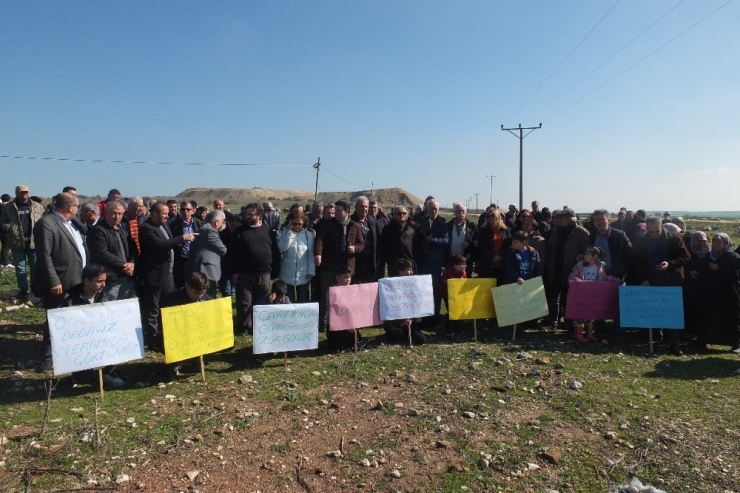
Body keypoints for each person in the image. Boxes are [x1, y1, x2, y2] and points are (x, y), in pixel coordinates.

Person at [33, 192, 87, 372]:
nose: (78, 210)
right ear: (70, 207)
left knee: (71, 318)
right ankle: (48, 358)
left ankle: (69, 353)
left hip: (76, 280)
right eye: (78, 206)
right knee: (54, 319)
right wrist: (53, 280)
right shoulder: (46, 223)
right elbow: (44, 255)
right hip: (59, 282)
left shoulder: (71, 224)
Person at [138, 202, 197, 350]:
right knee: (153, 308)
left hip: (168, 272)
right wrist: (182, 238)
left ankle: (166, 334)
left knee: (168, 305)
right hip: (154, 274)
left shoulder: (164, 225)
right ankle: (152, 340)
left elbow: (169, 242)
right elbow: (160, 245)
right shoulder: (147, 228)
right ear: (155, 213)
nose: (167, 215)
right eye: (164, 213)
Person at [632, 216, 691, 356]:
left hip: (671, 280)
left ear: (662, 227)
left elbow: (686, 256)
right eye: (650, 232)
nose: (653, 235)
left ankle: (674, 344)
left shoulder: (674, 238)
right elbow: (638, 262)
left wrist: (670, 264)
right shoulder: (642, 241)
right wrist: (644, 278)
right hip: (652, 280)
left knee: (672, 312)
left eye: (656, 232)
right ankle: (655, 338)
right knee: (654, 310)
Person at [60, 264, 125, 387]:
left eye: (104, 281)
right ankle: (80, 374)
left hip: (103, 339)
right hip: (81, 343)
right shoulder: (70, 300)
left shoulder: (107, 298)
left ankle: (108, 372)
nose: (104, 285)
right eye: (99, 281)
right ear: (87, 281)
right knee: (83, 379)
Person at [314, 200, 365, 330]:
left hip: (347, 268)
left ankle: (344, 322)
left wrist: (355, 248)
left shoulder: (355, 226)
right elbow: (319, 239)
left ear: (347, 211)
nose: (335, 213)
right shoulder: (328, 224)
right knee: (327, 294)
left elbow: (362, 244)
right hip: (329, 266)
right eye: (335, 211)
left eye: (338, 211)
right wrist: (318, 254)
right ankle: (324, 323)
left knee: (345, 297)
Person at [228, 203, 275, 335]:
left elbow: (274, 251)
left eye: (251, 214)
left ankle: (258, 326)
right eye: (246, 214)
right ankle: (244, 328)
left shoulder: (267, 230)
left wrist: (274, 271)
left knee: (260, 303)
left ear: (259, 215)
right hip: (244, 274)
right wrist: (233, 272)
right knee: (244, 303)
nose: (247, 217)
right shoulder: (239, 231)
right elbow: (232, 253)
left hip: (264, 274)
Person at [543, 208, 590, 331]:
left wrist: (581, 256)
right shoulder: (555, 231)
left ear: (569, 219)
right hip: (554, 269)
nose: (558, 220)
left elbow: (587, 251)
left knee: (569, 298)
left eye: (561, 218)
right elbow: (550, 248)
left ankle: (569, 322)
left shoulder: (582, 233)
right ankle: (553, 321)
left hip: (571, 270)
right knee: (553, 298)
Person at [694, 233, 740, 353]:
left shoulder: (733, 257)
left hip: (728, 294)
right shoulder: (707, 256)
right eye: (714, 242)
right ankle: (703, 341)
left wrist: (719, 269)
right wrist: (696, 272)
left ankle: (736, 344)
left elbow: (736, 274)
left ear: (726, 243)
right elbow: (702, 271)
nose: (717, 244)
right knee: (707, 317)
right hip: (709, 294)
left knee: (730, 318)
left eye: (720, 242)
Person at [0, 184, 46, 300]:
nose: (24, 194)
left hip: (34, 242)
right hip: (17, 242)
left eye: (26, 192)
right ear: (17, 193)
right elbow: (2, 222)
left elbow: (44, 220)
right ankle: (23, 290)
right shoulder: (8, 207)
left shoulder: (37, 206)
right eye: (22, 192)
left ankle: (35, 290)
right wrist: (10, 228)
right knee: (20, 268)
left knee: (35, 267)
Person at [87, 200, 137, 300]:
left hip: (126, 276)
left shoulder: (123, 228)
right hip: (110, 279)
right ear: (105, 213)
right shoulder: (98, 230)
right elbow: (102, 253)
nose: (117, 217)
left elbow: (133, 248)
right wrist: (124, 265)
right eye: (114, 213)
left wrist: (132, 263)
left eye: (120, 214)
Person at [567, 246, 619, 342]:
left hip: (592, 295)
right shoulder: (580, 266)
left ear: (594, 257)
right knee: (580, 314)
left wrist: (612, 279)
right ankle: (578, 333)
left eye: (587, 255)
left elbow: (603, 278)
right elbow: (572, 275)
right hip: (582, 294)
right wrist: (575, 279)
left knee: (590, 314)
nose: (585, 256)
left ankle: (589, 333)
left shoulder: (599, 268)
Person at [412, 198, 448, 322]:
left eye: (435, 209)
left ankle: (435, 315)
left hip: (435, 261)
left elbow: (445, 240)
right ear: (426, 209)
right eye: (431, 209)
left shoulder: (442, 223)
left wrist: (431, 240)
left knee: (436, 288)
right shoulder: (419, 221)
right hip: (422, 260)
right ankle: (423, 315)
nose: (433, 211)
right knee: (422, 289)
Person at [383, 259, 427, 346]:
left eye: (411, 270)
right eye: (408, 270)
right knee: (394, 337)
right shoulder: (391, 286)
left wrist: (419, 314)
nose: (411, 272)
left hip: (411, 321)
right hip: (397, 322)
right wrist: (402, 320)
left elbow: (417, 301)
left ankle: (407, 333)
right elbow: (391, 307)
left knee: (421, 339)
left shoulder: (415, 284)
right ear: (401, 272)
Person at [185, 209, 228, 299]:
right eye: (222, 221)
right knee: (206, 297)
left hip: (203, 269)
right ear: (216, 222)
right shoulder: (210, 231)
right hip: (206, 270)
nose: (224, 224)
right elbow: (222, 249)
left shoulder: (205, 229)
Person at [277, 210, 315, 303]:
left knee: (303, 301)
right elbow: (282, 248)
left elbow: (310, 254)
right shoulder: (285, 233)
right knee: (288, 301)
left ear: (304, 223)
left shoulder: (308, 235)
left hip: (303, 275)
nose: (297, 226)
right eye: (294, 223)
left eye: (300, 224)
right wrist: (290, 233)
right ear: (290, 222)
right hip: (287, 274)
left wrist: (311, 271)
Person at [326, 265, 358, 352]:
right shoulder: (331, 292)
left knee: (355, 345)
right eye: (345, 277)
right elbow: (332, 312)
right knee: (336, 348)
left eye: (349, 277)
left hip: (350, 324)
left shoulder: (354, 291)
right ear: (338, 277)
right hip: (337, 325)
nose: (348, 280)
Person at [475, 208, 511, 286]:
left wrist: (500, 256)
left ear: (498, 217)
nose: (490, 218)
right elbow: (481, 247)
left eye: (492, 216)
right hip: (487, 265)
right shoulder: (483, 230)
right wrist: (492, 257)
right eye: (488, 216)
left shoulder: (506, 230)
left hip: (502, 265)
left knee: (499, 288)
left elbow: (508, 246)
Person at [170, 201, 202, 288]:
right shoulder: (174, 224)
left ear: (193, 211)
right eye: (183, 209)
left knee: (195, 282)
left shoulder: (198, 222)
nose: (185, 212)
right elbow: (171, 239)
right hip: (182, 257)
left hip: (195, 257)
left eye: (188, 209)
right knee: (182, 283)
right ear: (180, 211)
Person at [351, 196, 382, 283]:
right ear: (356, 207)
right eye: (361, 206)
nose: (364, 209)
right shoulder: (351, 221)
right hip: (356, 261)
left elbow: (378, 240)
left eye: (366, 206)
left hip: (371, 261)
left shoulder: (373, 221)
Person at [379, 205, 417, 277]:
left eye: (404, 213)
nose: (402, 215)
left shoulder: (412, 227)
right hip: (394, 265)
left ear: (407, 214)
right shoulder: (387, 229)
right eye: (399, 213)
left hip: (410, 264)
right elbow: (383, 246)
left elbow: (417, 246)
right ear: (394, 215)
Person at [446, 203, 478, 277]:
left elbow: (478, 242)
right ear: (454, 213)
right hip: (451, 260)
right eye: (458, 211)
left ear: (466, 212)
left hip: (466, 261)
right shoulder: (448, 225)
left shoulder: (472, 226)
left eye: (463, 211)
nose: (461, 213)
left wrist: (469, 244)